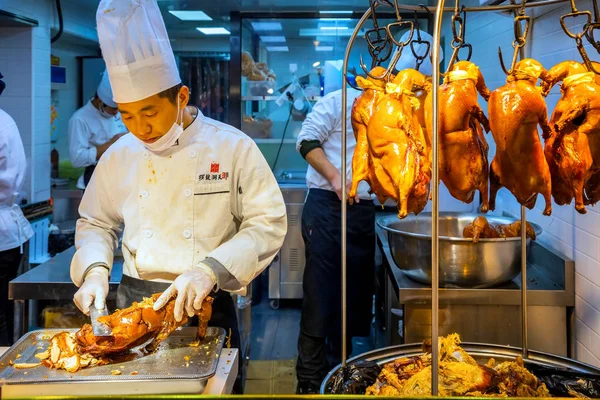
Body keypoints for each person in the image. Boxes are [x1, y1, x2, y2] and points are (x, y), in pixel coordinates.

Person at [70, 0, 287, 393]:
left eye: (150, 112)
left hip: (208, 304)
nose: (140, 128)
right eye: (127, 115)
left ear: (182, 97)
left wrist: (208, 271)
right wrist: (94, 271)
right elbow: (95, 222)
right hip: (132, 306)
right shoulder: (120, 154)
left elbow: (267, 222)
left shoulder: (231, 147)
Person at [294, 67, 376, 394]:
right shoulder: (337, 102)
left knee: (352, 299)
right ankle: (310, 384)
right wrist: (334, 177)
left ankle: (338, 375)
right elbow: (306, 140)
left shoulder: (387, 110)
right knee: (321, 297)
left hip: (361, 212)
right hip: (327, 207)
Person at [0, 72, 34, 346]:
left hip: (2, 237)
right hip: (7, 236)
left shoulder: (2, 123)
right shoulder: (5, 121)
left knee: (1, 315)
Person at [68, 70, 128, 188]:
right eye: (113, 109)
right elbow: (77, 159)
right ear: (100, 100)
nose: (116, 113)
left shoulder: (118, 113)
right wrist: (111, 143)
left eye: (118, 109)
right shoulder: (79, 119)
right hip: (95, 178)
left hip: (121, 175)